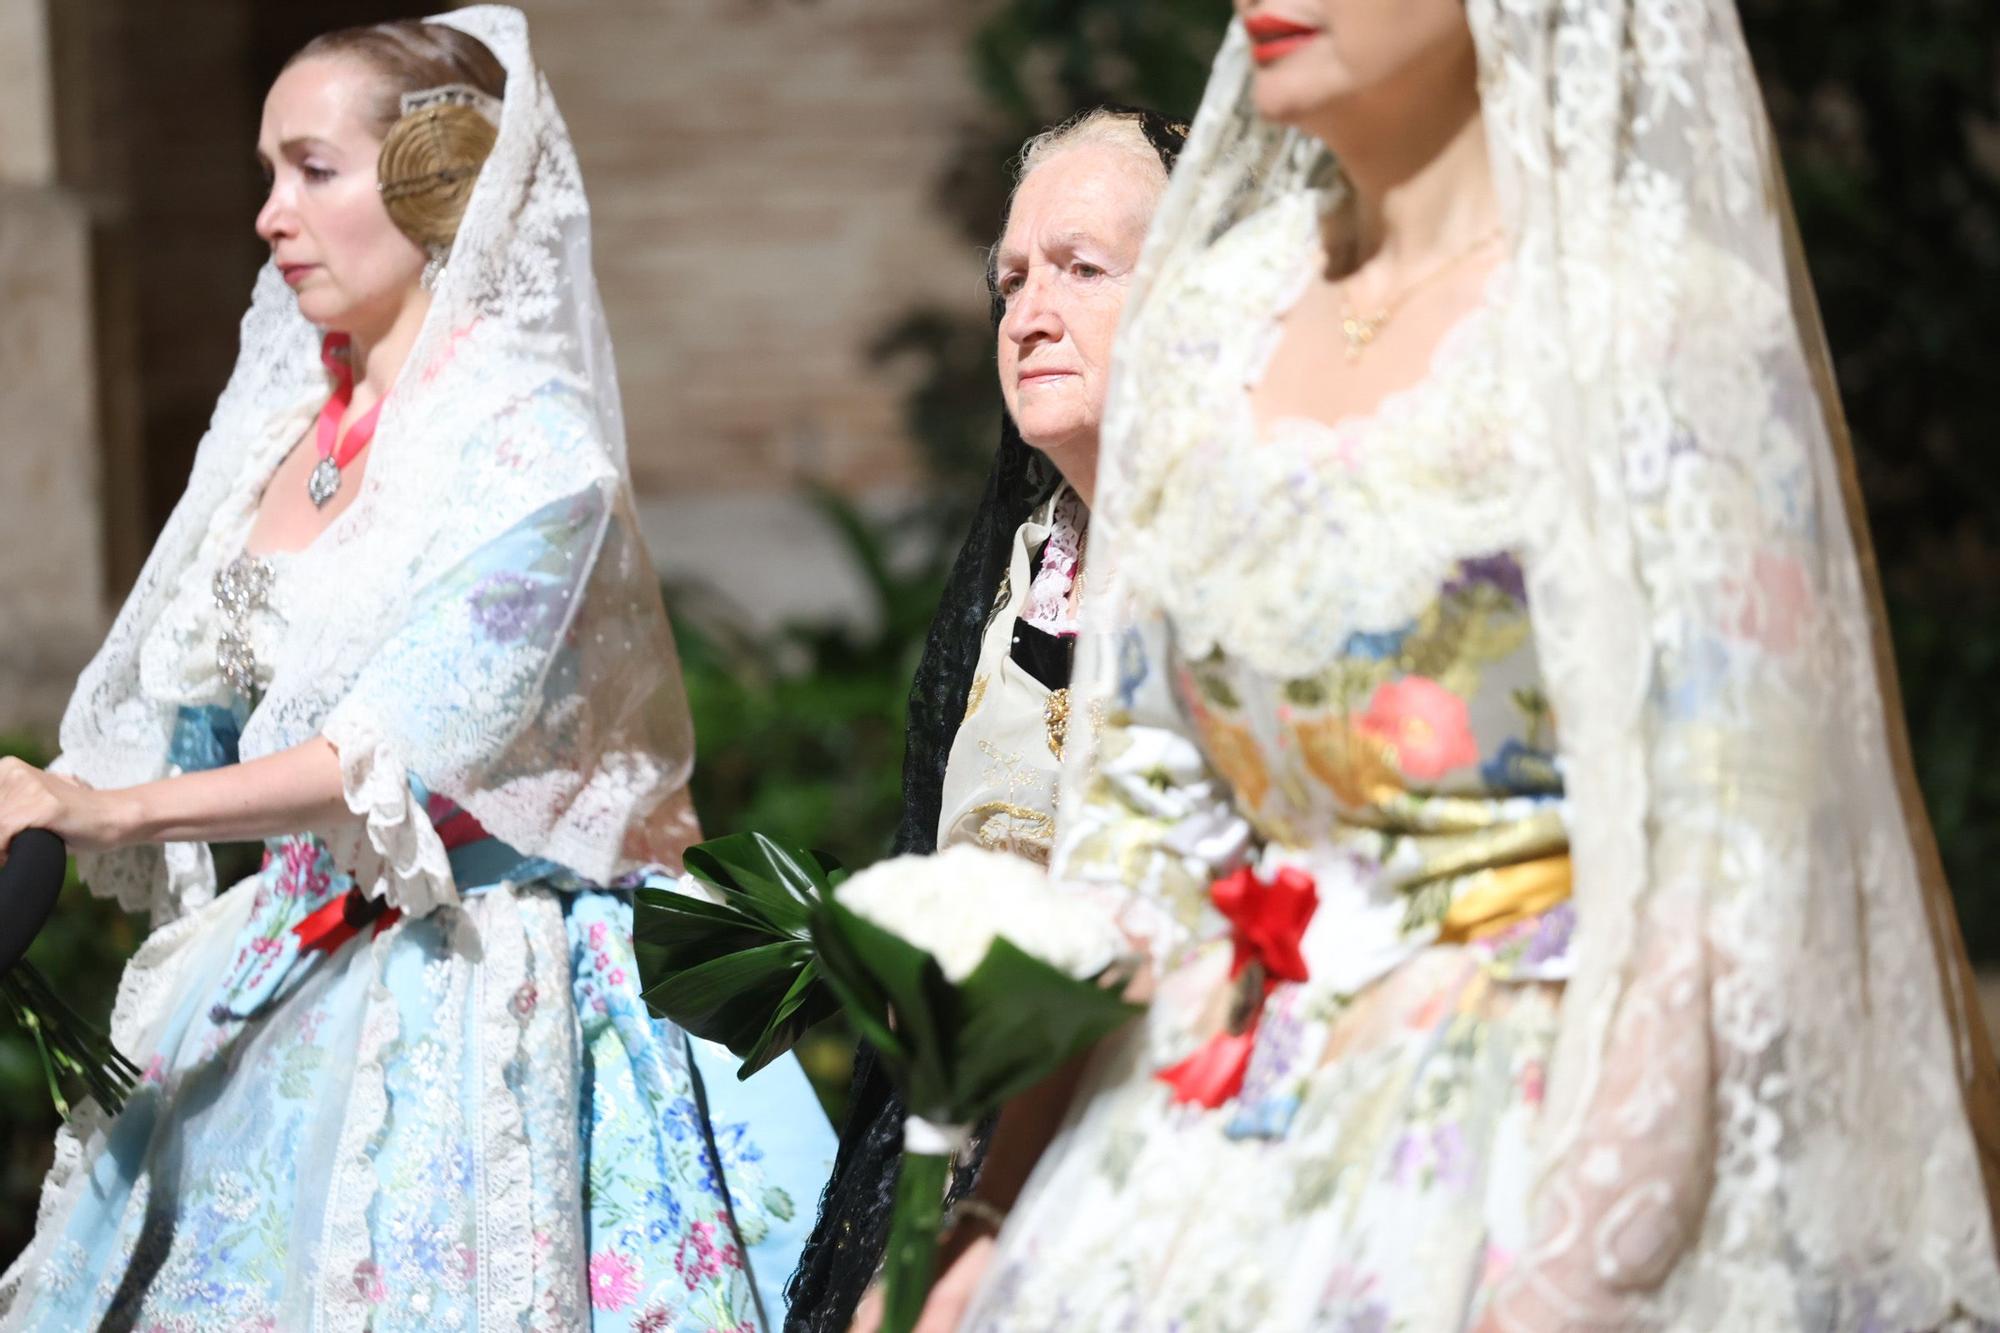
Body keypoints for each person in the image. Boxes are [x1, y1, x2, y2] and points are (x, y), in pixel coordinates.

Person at [931, 2, 2000, 1329]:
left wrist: (1583, 1264)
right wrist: (993, 1213)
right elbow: (1144, 835)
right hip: (1196, 1148)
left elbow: (1735, 853)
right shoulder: (1210, 326)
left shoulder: (1645, 319)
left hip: (1537, 1122)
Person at [0, 10, 831, 1330]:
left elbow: (386, 752)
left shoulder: (531, 457)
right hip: (275, 963)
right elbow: (206, 723)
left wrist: (108, 811)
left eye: (310, 171)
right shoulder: (285, 444)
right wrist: (58, 788)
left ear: (432, 184)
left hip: (471, 976)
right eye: (265, 174)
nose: (270, 216)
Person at [783, 107, 1185, 1332]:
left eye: (1080, 268)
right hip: (986, 1149)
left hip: (1163, 1144)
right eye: (1009, 280)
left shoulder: (1235, 571)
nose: (1026, 313)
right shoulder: (1026, 567)